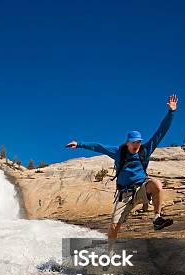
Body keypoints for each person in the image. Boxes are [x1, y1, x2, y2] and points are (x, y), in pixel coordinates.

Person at [66, 94, 178, 247]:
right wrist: (79, 144)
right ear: (127, 143)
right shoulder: (119, 152)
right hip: (124, 195)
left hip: (141, 188)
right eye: (133, 143)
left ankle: (157, 218)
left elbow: (161, 132)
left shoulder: (144, 150)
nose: (136, 145)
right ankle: (109, 254)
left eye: (138, 142)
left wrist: (171, 112)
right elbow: (98, 146)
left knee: (157, 185)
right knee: (113, 227)